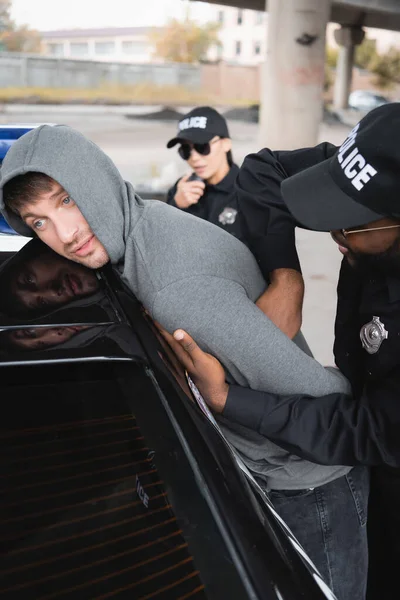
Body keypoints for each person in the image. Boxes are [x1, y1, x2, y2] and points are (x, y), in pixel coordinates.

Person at [0, 124, 366, 600]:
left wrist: (223, 396)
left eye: (65, 199)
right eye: (38, 222)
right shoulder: (148, 221)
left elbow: (328, 404)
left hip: (308, 493)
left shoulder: (176, 290)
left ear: (93, 177)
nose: (64, 235)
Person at [159, 103, 400, 600]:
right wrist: (286, 276)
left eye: (350, 226)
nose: (336, 233)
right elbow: (266, 169)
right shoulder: (382, 163)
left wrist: (229, 400)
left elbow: (371, 431)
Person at [166, 106, 244, 239]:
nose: (194, 158)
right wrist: (176, 206)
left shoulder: (248, 189)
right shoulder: (181, 189)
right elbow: (161, 242)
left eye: (202, 147)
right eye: (185, 150)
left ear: (226, 144)